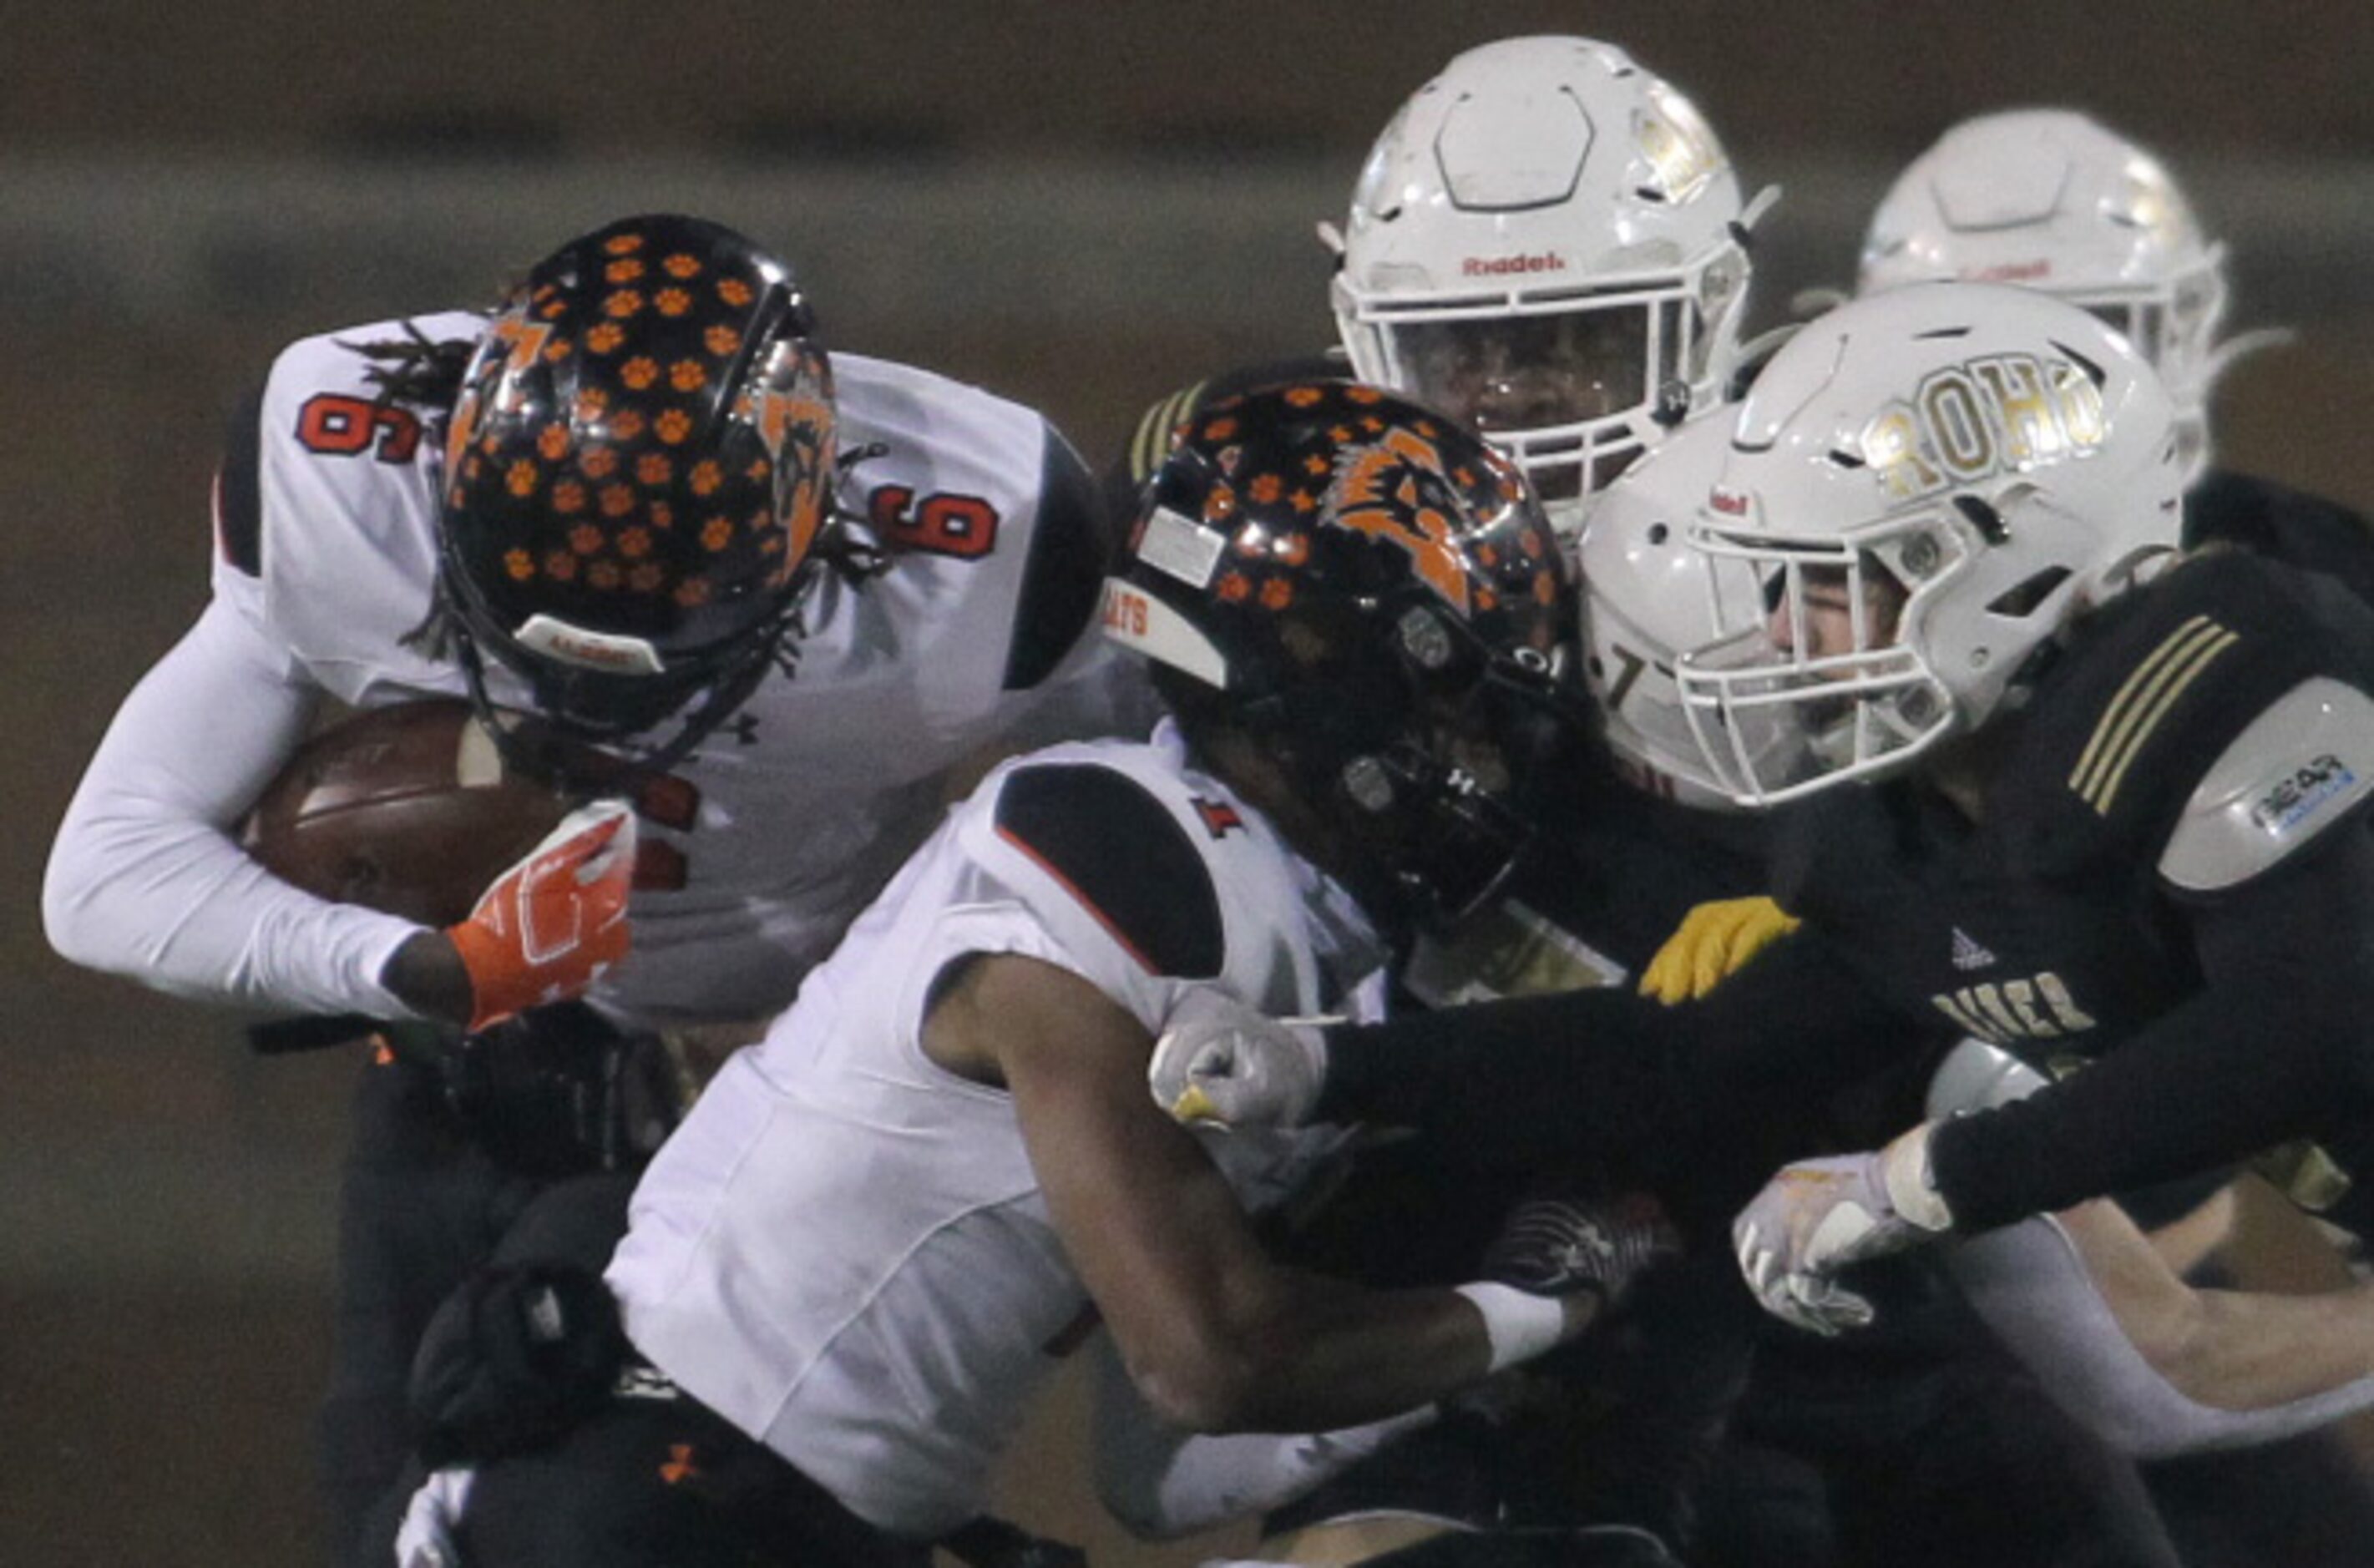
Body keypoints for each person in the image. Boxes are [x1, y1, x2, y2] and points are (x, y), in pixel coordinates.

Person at [1152, 281, 2374, 1554]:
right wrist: (1326, 1064)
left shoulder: (2229, 670)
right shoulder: (1916, 830)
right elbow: (1678, 1055)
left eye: (1834, 583)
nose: (1788, 633)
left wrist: (1930, 1180)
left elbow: (2311, 1022)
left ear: (2014, 567)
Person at [402, 381, 1679, 1565]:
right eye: (1448, 691)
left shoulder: (1243, 888)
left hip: (740, 1493)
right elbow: (1209, 1365)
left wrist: (1484, 1333)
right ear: (1321, 670)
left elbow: (1162, 1464)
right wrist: (1546, 1300)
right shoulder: (1139, 856)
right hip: (665, 1495)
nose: (1480, 745)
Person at [41, 212, 1147, 1565]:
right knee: (385, 1503)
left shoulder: (990, 554)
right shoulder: (348, 470)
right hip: (479, 1069)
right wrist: (427, 970)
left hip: (786, 1100)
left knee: (589, 1508)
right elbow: (106, 869)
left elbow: (1110, 839)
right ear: (451, 470)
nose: (577, 705)